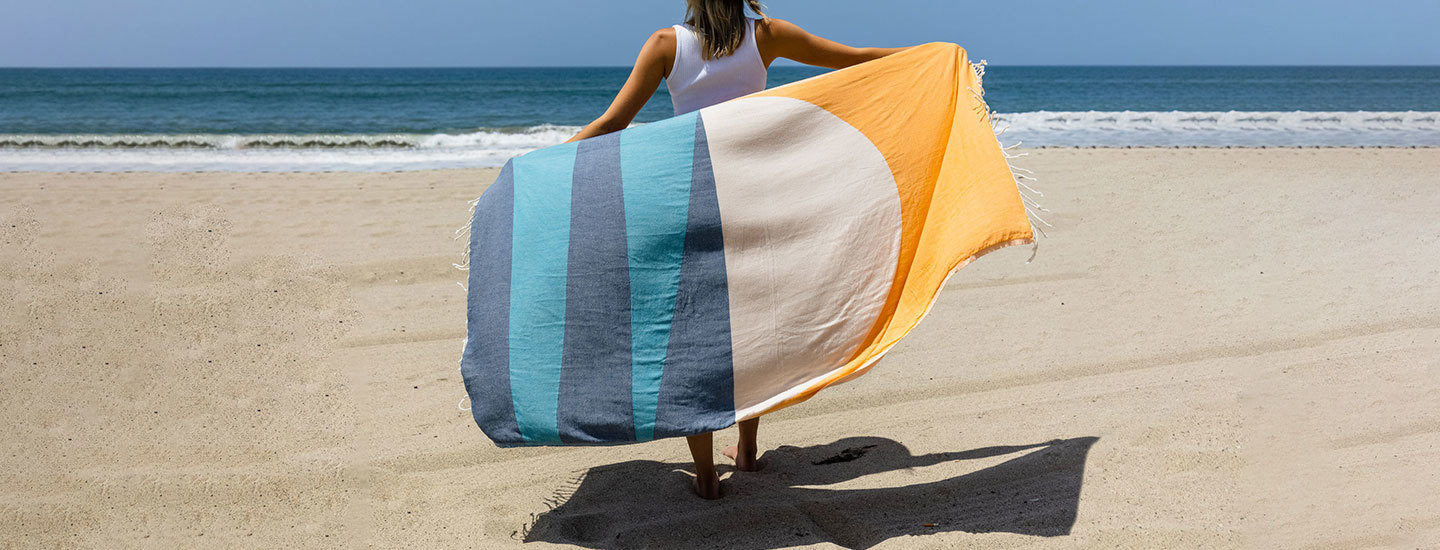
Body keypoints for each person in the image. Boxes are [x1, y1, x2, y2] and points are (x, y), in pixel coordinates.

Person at [566, 0, 908, 499]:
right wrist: (933, 54)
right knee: (751, 326)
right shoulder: (766, 35)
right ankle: (746, 452)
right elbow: (855, 58)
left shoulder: (665, 44)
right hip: (755, 197)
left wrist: (543, 162)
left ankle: (706, 474)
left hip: (692, 198)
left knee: (694, 334)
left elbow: (613, 123)